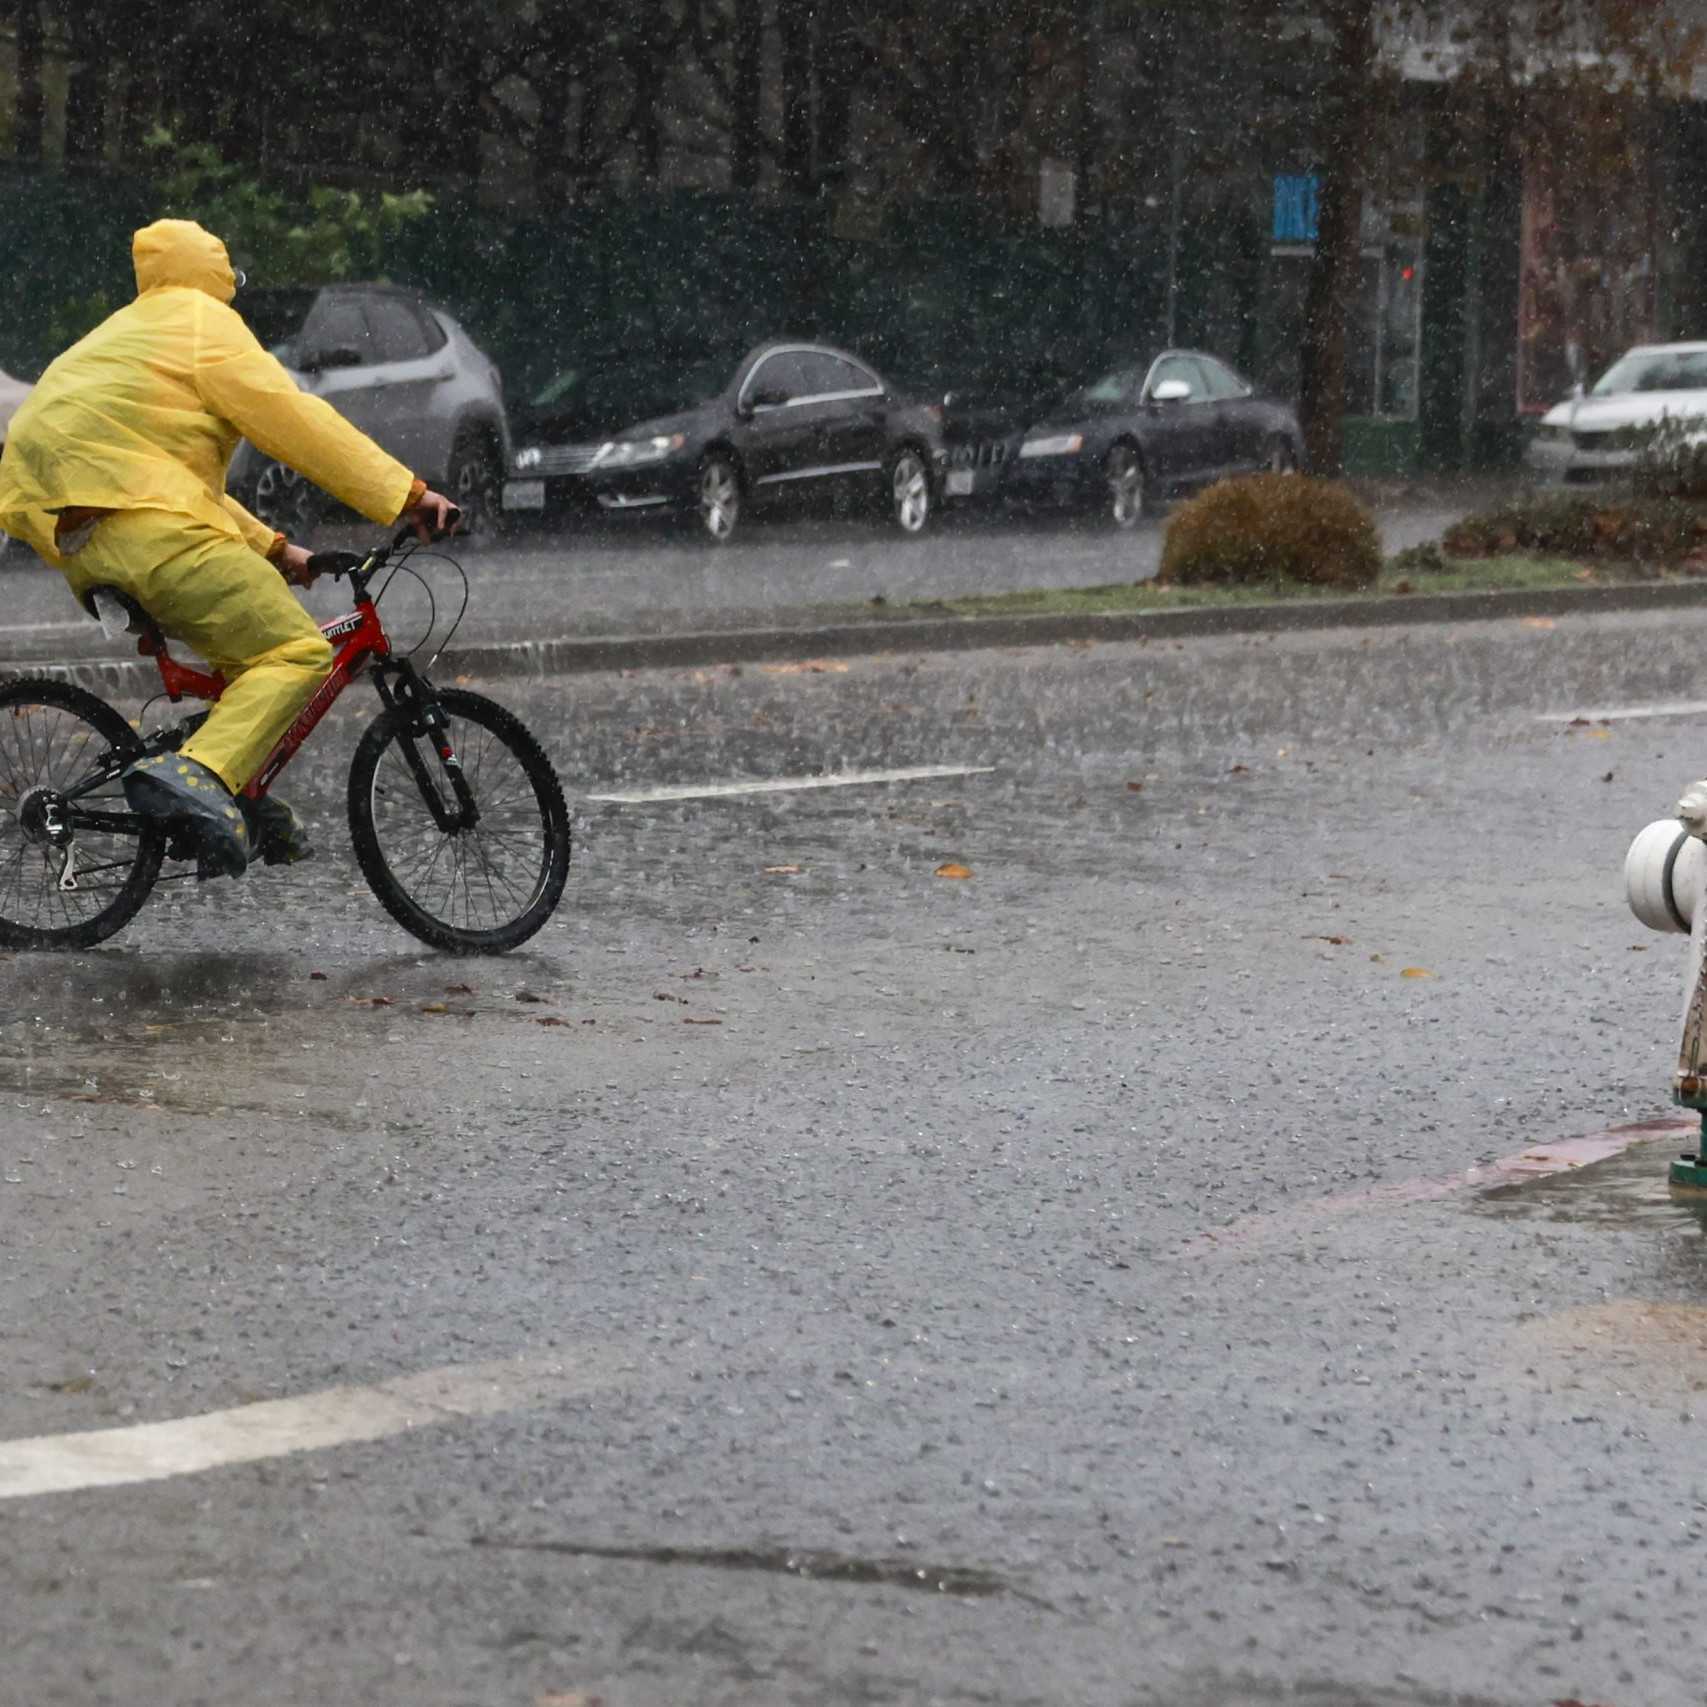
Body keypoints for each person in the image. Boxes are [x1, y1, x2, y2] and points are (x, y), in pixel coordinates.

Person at [0, 218, 457, 876]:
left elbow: (162, 481)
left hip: (85, 543)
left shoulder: (123, 335)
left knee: (245, 668)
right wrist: (407, 495)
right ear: (217, 276)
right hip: (154, 534)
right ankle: (197, 773)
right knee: (295, 654)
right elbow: (297, 421)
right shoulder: (201, 323)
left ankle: (241, 797)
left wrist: (278, 550)